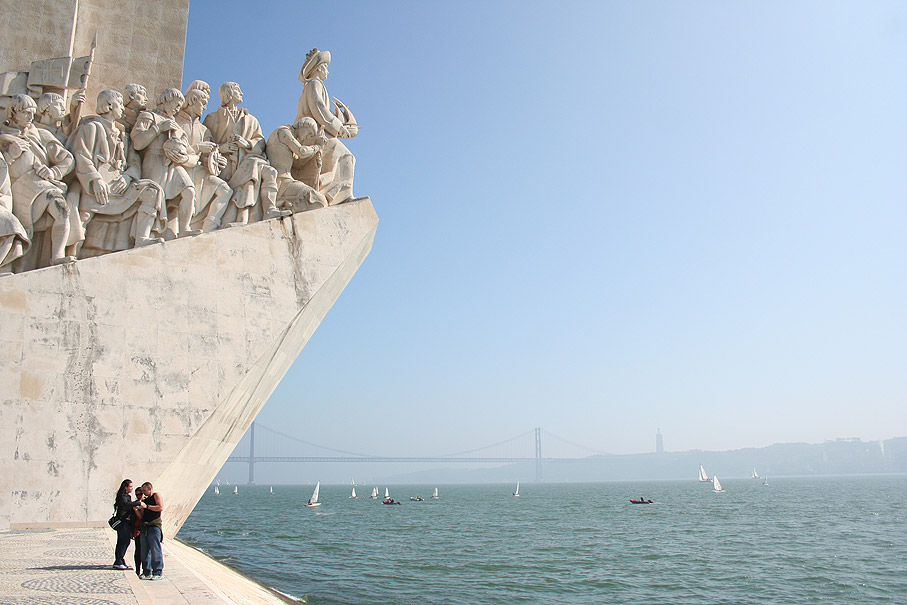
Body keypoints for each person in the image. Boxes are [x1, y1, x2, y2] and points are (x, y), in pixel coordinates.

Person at [136, 481, 164, 580]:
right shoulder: (145, 500)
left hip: (154, 526)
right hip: (145, 527)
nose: (143, 492)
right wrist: (137, 510)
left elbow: (160, 507)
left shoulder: (156, 495)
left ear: (150, 489)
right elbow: (142, 516)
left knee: (155, 549)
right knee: (144, 550)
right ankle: (146, 571)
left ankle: (158, 571)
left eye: (144, 490)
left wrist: (147, 506)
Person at [111, 479, 141, 570]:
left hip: (125, 522)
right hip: (123, 522)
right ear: (125, 487)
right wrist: (138, 503)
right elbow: (126, 504)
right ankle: (119, 560)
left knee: (122, 541)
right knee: (124, 541)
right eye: (130, 486)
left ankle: (120, 559)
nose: (132, 488)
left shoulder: (126, 496)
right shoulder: (122, 496)